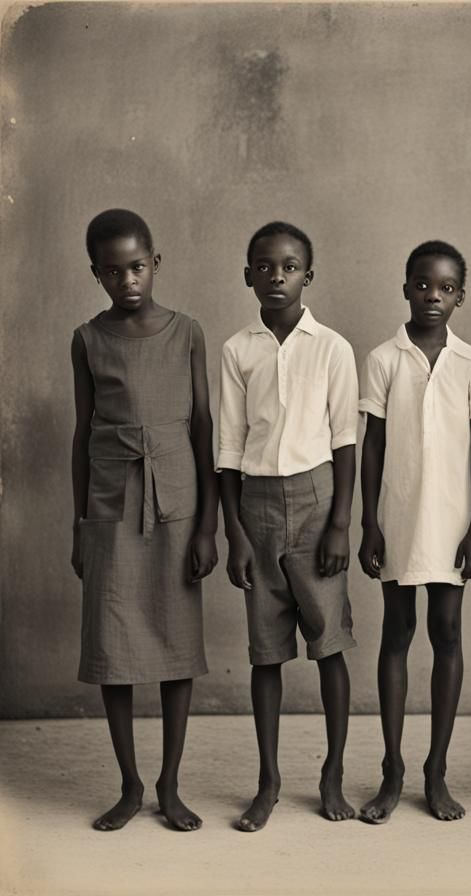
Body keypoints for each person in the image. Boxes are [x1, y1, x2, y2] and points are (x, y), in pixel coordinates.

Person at [71, 208, 218, 832]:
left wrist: (208, 525)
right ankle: (130, 785)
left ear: (155, 263)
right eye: (112, 271)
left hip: (176, 505)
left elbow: (203, 427)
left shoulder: (187, 333)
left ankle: (169, 784)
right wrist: (80, 525)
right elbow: (82, 435)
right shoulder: (87, 339)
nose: (127, 280)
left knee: (176, 644)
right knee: (114, 645)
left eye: (136, 267)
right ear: (96, 274)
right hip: (110, 507)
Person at [218, 221, 359, 831]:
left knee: (329, 646)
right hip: (256, 507)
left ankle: (333, 775)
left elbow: (345, 440)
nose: (277, 276)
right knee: (266, 653)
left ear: (308, 275)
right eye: (265, 266)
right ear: (247, 275)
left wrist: (340, 524)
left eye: (290, 267)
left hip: (317, 501)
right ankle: (268, 781)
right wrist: (235, 532)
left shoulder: (332, 347)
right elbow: (229, 447)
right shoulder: (237, 350)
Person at [357, 240, 471, 822]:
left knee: (447, 632)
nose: (433, 296)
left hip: (452, 520)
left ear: (460, 295)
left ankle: (437, 771)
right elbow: (372, 446)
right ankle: (392, 768)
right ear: (406, 288)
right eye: (422, 285)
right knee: (397, 631)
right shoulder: (383, 358)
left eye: (445, 288)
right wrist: (369, 522)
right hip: (399, 516)